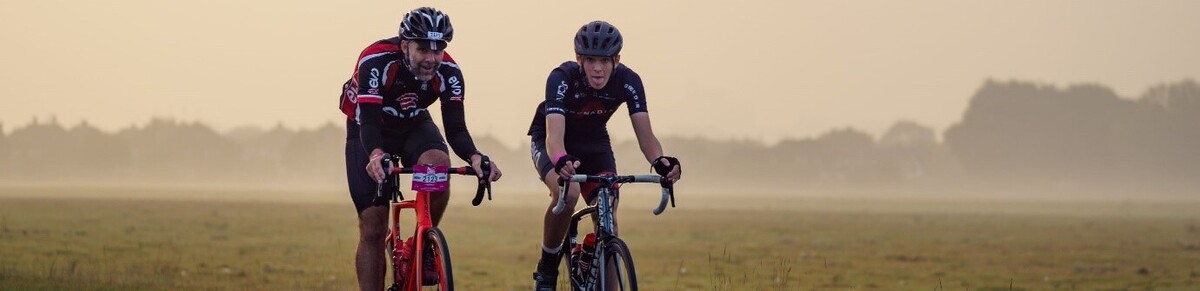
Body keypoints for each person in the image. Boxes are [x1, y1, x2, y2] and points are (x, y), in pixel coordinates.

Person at [338, 7, 502, 290]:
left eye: (438, 50)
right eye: (423, 49)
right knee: (374, 228)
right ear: (405, 45)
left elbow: (456, 129)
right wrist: (377, 154)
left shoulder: (450, 72)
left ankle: (423, 242)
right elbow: (370, 125)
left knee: (438, 161)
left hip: (412, 123)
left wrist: (475, 157)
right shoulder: (376, 61)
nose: (431, 59)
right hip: (369, 127)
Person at [527, 20, 682, 290]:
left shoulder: (629, 81)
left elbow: (646, 137)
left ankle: (601, 271)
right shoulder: (561, 78)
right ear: (579, 59)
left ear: (616, 60)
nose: (597, 68)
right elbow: (554, 136)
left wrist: (660, 161)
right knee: (569, 192)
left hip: (594, 143)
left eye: (604, 61)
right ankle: (547, 268)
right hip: (553, 142)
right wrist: (561, 160)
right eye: (590, 60)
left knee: (608, 206)